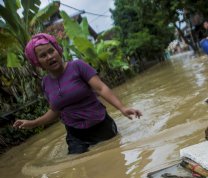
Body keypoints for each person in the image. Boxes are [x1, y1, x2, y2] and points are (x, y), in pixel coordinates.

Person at [13, 33, 142, 154]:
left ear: (58, 50)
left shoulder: (77, 66)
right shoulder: (45, 83)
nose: (50, 57)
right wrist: (33, 123)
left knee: (114, 161)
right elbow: (55, 111)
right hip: (75, 134)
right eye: (43, 55)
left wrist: (122, 108)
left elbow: (101, 88)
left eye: (51, 51)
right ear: (37, 62)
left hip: (100, 124)